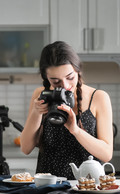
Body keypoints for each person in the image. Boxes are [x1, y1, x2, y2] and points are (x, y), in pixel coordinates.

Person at [20, 41, 113, 179]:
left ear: (78, 70)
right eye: (56, 81)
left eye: (70, 77)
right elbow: (26, 148)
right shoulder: (40, 95)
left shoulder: (99, 97)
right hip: (49, 187)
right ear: (46, 77)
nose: (65, 86)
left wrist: (75, 130)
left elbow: (106, 154)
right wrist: (36, 112)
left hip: (87, 187)